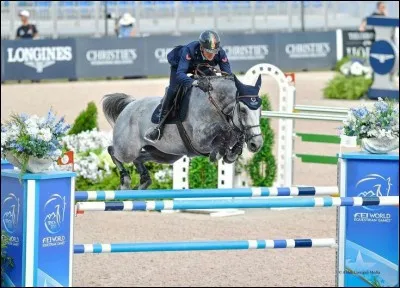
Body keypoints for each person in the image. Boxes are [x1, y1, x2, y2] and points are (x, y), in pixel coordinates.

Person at [145, 30, 233, 142]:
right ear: (201, 47)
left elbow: (228, 76)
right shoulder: (189, 50)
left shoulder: (220, 53)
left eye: (214, 52)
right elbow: (181, 75)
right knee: (173, 90)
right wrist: (195, 82)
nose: (211, 55)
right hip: (180, 67)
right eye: (208, 51)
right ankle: (159, 127)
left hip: (201, 66)